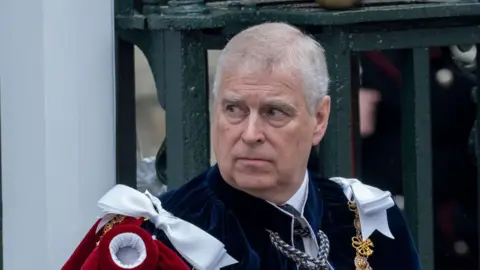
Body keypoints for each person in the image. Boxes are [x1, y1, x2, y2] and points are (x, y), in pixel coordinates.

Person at [63, 22, 421, 270]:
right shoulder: (161, 242)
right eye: (234, 109)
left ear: (320, 119)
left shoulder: (368, 219)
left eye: (274, 112)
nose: (250, 133)